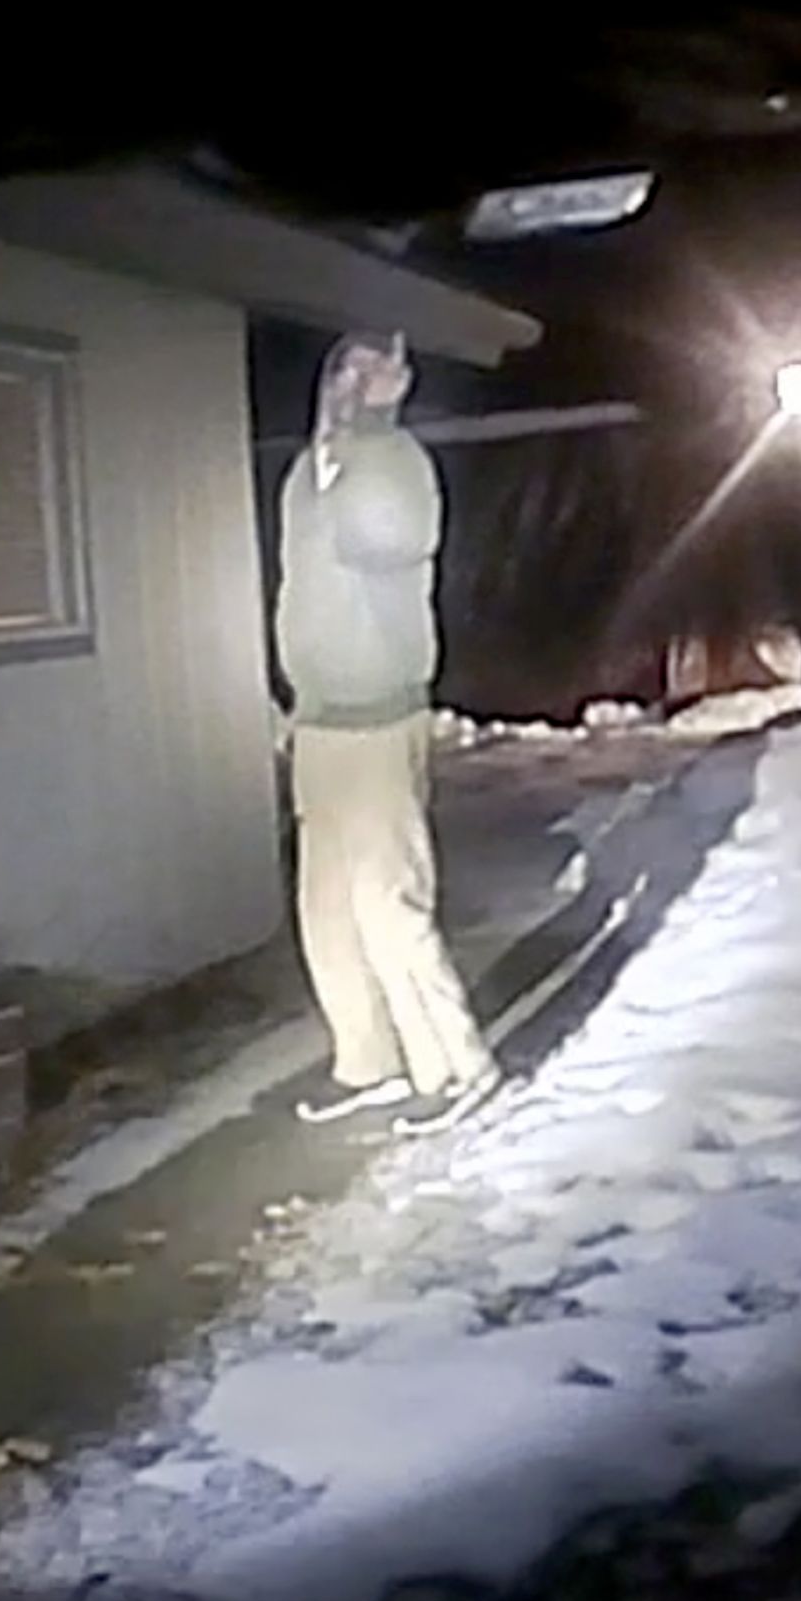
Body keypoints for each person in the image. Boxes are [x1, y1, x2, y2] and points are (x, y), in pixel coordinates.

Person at [271, 330, 500, 1134]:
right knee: (326, 910)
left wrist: (365, 437)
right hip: (320, 721)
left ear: (397, 384)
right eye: (346, 366)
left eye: (378, 370)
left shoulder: (396, 464)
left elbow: (384, 541)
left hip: (377, 716)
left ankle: (455, 1064)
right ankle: (366, 1062)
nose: (357, 381)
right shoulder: (307, 472)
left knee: (388, 901)